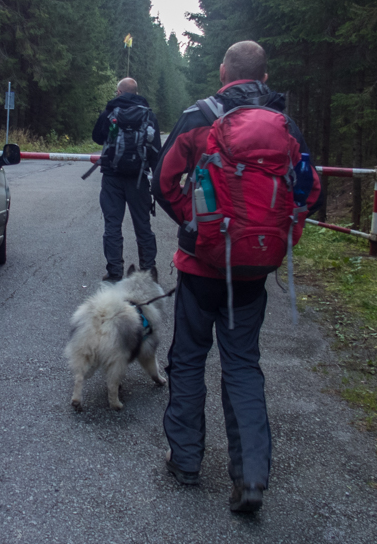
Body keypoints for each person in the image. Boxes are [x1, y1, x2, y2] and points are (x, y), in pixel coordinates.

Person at [151, 40, 320, 514]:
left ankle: (184, 462)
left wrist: (195, 222)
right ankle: (250, 479)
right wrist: (278, 235)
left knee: (187, 361)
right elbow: (311, 191)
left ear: (224, 73)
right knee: (242, 365)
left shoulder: (198, 118)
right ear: (265, 79)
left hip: (201, 269)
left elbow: (162, 182)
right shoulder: (286, 127)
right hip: (252, 273)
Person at [92, 77, 162, 283]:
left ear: (121, 93)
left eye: (116, 92)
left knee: (112, 225)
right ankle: (148, 270)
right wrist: (157, 180)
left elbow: (97, 137)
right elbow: (156, 150)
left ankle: (114, 271)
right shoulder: (148, 115)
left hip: (112, 178)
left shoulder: (109, 113)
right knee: (143, 225)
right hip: (139, 178)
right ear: (136, 93)